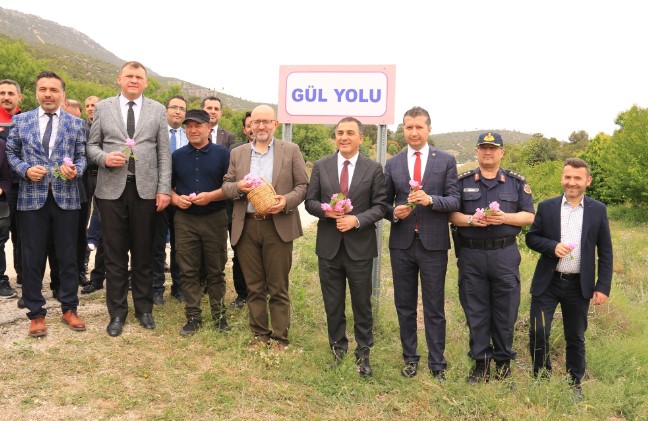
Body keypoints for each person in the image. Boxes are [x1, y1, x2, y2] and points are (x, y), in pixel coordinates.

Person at [86, 61, 171, 337]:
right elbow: (91, 146)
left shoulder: (158, 110)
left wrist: (164, 189)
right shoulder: (103, 108)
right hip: (111, 191)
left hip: (145, 192)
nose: (134, 80)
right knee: (114, 255)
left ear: (145, 82)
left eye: (139, 77)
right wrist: (103, 158)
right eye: (129, 76)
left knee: (144, 253)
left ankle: (144, 309)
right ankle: (117, 313)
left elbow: (163, 154)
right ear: (119, 79)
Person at [449, 132, 535, 383]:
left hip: (504, 254)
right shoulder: (461, 181)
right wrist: (470, 220)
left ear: (501, 153)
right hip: (472, 254)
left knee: (505, 311)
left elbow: (529, 216)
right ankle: (481, 364)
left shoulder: (515, 182)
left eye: (493, 148)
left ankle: (504, 363)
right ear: (476, 152)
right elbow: (450, 215)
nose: (488, 152)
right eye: (483, 148)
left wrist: (504, 218)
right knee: (476, 311)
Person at [6, 71, 87, 337]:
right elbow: (11, 153)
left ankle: (69, 307)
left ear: (62, 93)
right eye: (43, 89)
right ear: (36, 92)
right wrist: (25, 170)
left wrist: (76, 170)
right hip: (31, 198)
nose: (48, 94)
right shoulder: (21, 120)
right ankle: (36, 313)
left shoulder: (76, 124)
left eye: (54, 90)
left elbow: (82, 157)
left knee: (67, 257)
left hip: (66, 199)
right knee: (32, 257)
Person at [305, 117, 387, 376]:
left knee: (362, 304)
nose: (344, 137)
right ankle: (337, 349)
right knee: (333, 302)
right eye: (340, 132)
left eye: (350, 133)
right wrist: (326, 211)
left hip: (360, 248)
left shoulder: (373, 169)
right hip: (329, 247)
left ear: (361, 138)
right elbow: (309, 202)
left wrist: (357, 220)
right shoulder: (321, 166)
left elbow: (381, 206)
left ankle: (364, 354)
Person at [222, 104, 308, 351]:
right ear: (250, 125)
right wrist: (239, 186)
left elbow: (303, 185)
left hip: (277, 226)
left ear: (275, 124)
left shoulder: (290, 150)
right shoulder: (237, 153)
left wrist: (286, 201)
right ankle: (260, 335)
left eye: (266, 122)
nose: (260, 126)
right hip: (247, 227)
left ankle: (280, 338)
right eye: (256, 122)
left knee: (278, 286)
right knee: (254, 286)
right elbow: (226, 186)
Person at [526, 157, 613, 401]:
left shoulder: (598, 210)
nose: (571, 183)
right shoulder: (547, 207)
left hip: (579, 285)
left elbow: (605, 252)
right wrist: (552, 247)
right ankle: (541, 378)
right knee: (538, 331)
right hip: (548, 283)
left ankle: (574, 382)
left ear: (588, 181)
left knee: (575, 336)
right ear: (562, 178)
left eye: (577, 178)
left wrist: (603, 286)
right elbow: (531, 238)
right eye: (567, 177)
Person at [384, 106, 460, 380]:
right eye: (408, 127)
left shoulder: (446, 161)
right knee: (404, 305)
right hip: (402, 244)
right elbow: (383, 202)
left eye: (418, 127)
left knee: (434, 306)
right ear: (403, 129)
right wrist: (393, 212)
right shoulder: (393, 164)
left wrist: (431, 200)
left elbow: (455, 200)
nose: (413, 132)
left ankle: (437, 362)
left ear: (428, 129)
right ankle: (410, 358)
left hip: (434, 245)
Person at [170, 109, 230, 335]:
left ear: (208, 128)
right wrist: (176, 199)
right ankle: (193, 316)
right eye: (189, 126)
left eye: (198, 125)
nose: (193, 130)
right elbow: (168, 187)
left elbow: (231, 187)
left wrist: (211, 196)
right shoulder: (177, 156)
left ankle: (219, 315)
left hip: (214, 218)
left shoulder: (222, 154)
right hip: (185, 220)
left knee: (215, 269)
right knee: (188, 269)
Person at [151, 95, 188, 304]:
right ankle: (157, 287)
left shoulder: (187, 137)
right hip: (159, 196)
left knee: (179, 246)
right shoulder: (156, 135)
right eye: (174, 107)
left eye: (182, 109)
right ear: (166, 110)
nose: (177, 111)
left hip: (181, 199)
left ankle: (178, 286)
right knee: (157, 245)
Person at [228, 110, 253, 309]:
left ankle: (263, 293)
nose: (255, 128)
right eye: (250, 125)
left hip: (267, 214)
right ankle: (242, 294)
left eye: (260, 122)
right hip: (239, 212)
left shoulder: (279, 151)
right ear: (245, 129)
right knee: (240, 255)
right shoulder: (235, 151)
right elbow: (227, 182)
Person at [0, 79, 23, 299]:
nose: (6, 97)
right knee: (0, 237)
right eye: (2, 93)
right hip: (2, 190)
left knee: (23, 235)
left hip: (25, 186)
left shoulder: (26, 120)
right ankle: (1, 280)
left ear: (19, 97)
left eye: (10, 93)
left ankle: (24, 276)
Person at [81, 95, 106, 295]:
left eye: (94, 105)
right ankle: (82, 267)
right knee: (80, 223)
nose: (91, 108)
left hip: (104, 178)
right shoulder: (80, 127)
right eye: (88, 105)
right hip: (83, 178)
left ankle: (98, 276)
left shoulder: (108, 126)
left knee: (102, 224)